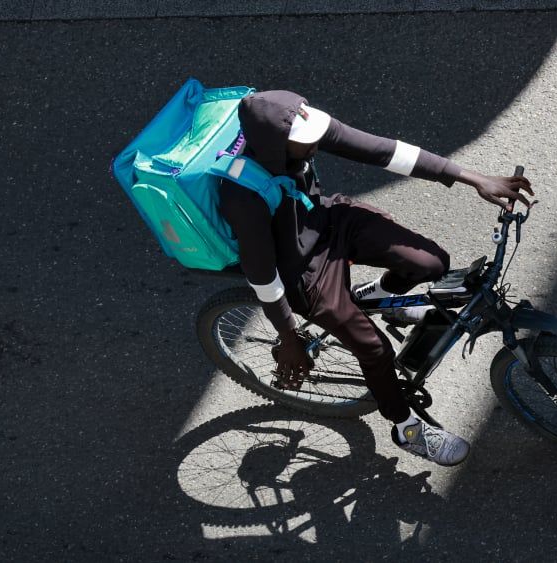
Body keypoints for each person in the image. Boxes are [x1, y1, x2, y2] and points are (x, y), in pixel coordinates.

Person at [218, 90, 533, 466]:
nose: (317, 141)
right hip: (302, 271)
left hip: (330, 220)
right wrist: (289, 337)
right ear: (275, 146)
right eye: (306, 143)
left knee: (431, 263)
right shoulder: (242, 195)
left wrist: (474, 178)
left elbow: (384, 151)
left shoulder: (302, 134)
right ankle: (406, 428)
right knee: (375, 350)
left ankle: (380, 298)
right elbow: (262, 275)